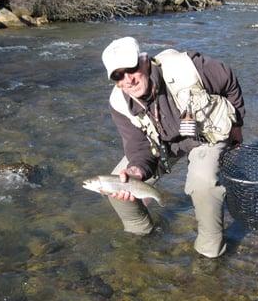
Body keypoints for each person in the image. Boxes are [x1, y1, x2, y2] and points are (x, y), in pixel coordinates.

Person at [101, 37, 245, 258]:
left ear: (144, 61)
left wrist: (236, 126)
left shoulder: (188, 67)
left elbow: (229, 81)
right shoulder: (120, 103)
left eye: (131, 69)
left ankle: (210, 252)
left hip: (205, 134)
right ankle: (140, 232)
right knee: (115, 184)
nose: (128, 80)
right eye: (118, 76)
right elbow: (138, 148)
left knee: (203, 183)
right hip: (161, 144)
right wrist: (136, 171)